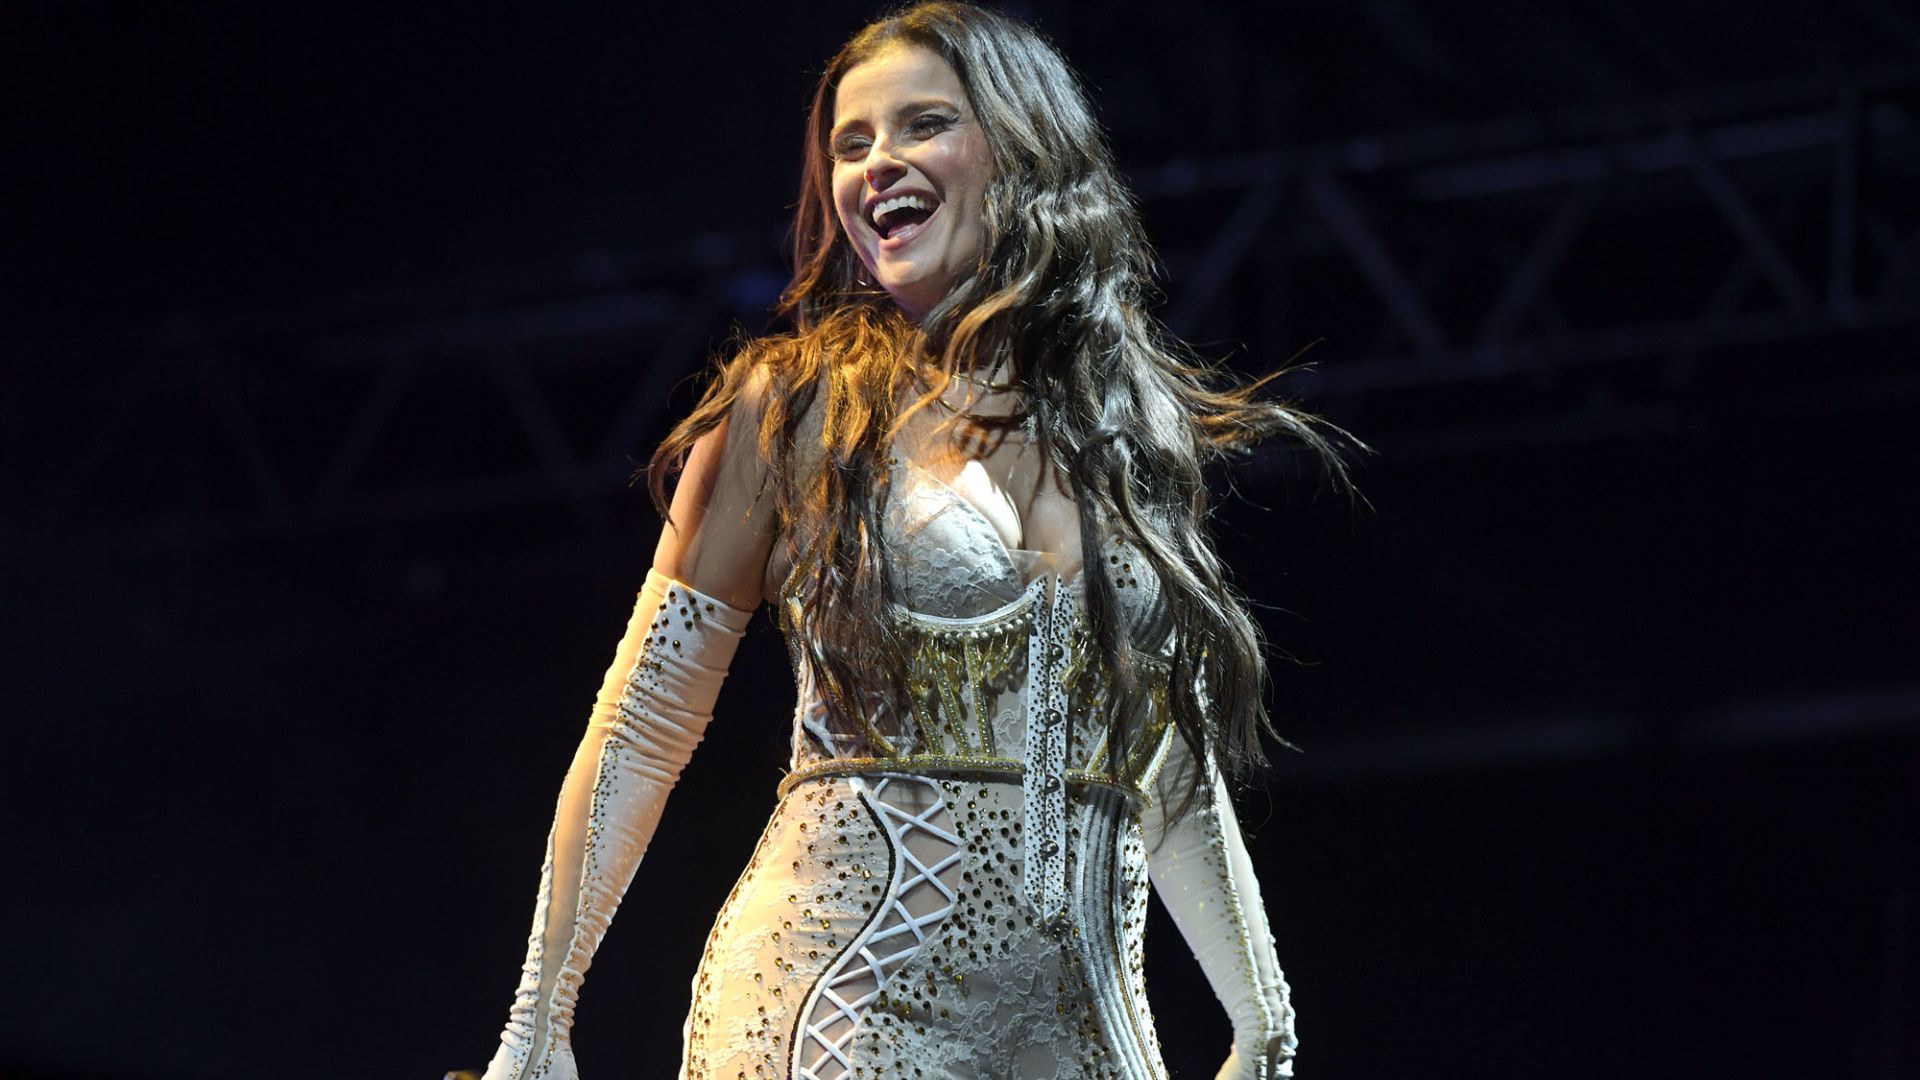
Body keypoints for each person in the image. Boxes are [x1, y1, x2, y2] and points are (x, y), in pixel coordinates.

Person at [477, 4, 1355, 1078]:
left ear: (1020, 148)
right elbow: (641, 729)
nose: (876, 164)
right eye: (852, 144)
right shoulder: (796, 412)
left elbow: (1157, 744)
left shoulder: (1130, 428)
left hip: (1084, 1029)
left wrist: (1264, 1013)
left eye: (920, 125)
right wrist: (538, 1020)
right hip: (845, 992)